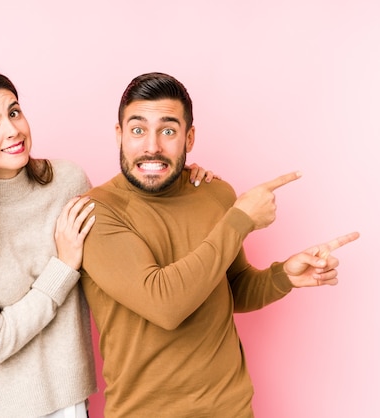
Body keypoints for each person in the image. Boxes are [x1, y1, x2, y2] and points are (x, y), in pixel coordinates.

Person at [0, 68, 214, 418]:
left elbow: (125, 222)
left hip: (68, 401)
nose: (12, 129)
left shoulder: (66, 182)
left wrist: (173, 171)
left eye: (14, 111)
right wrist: (63, 268)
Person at [80, 72, 360, 417]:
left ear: (189, 137)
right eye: (138, 130)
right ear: (119, 135)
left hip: (232, 407)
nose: (151, 146)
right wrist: (240, 219)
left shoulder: (215, 193)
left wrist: (284, 276)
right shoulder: (96, 211)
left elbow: (230, 289)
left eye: (168, 130)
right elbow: (165, 304)